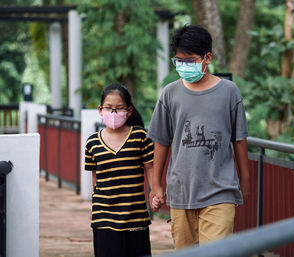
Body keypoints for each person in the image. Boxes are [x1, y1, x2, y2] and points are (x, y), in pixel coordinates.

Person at [148, 24, 250, 249]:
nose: (184, 66)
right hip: (181, 192)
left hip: (220, 192)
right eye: (179, 61)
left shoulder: (229, 92)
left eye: (190, 60)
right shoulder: (170, 94)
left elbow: (239, 140)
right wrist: (156, 184)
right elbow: (161, 141)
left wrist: (244, 182)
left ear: (207, 58)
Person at [85, 83, 158, 257]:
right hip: (104, 219)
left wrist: (156, 192)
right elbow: (96, 180)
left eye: (119, 108)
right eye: (109, 108)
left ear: (129, 111)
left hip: (135, 217)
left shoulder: (140, 136)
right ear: (100, 110)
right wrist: (95, 208)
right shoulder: (92, 142)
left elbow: (150, 167)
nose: (114, 113)